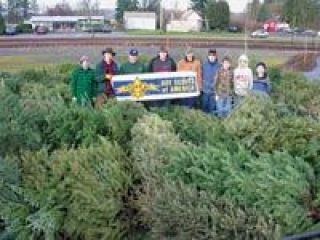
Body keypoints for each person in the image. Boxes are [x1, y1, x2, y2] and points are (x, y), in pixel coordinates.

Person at [201, 49, 220, 113]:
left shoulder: (219, 66)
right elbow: (201, 76)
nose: (212, 57)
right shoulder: (204, 65)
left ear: (216, 56)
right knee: (204, 106)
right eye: (210, 55)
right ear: (208, 56)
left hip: (214, 92)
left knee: (212, 108)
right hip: (205, 90)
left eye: (213, 55)